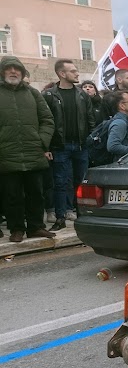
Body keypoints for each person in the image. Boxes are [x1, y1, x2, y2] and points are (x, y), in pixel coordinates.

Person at [0, 56, 56, 242]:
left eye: (17, 69)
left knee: (36, 194)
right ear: (3, 72)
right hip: (6, 154)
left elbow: (47, 120)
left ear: (23, 73)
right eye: (9, 69)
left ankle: (36, 227)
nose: (13, 72)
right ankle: (16, 229)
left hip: (33, 153)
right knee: (12, 195)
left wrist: (41, 142)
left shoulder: (33, 93)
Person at [41, 59, 95, 231]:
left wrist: (89, 140)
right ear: (62, 74)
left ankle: (82, 216)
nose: (77, 73)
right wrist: (46, 147)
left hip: (80, 146)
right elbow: (45, 122)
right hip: (59, 147)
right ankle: (60, 217)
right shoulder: (49, 95)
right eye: (73, 71)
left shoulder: (82, 95)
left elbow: (90, 120)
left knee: (81, 182)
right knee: (60, 183)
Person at [106, 91, 128, 159]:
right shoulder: (120, 123)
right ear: (122, 106)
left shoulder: (123, 121)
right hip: (121, 165)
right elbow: (112, 146)